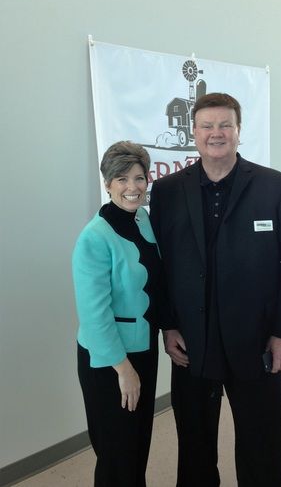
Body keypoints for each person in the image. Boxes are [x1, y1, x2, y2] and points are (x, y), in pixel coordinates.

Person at [150, 93, 281, 487]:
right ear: (194, 133)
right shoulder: (167, 191)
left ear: (239, 131)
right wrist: (168, 326)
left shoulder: (274, 186)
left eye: (225, 125)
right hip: (192, 342)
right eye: (207, 125)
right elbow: (161, 265)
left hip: (256, 341)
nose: (216, 133)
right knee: (195, 443)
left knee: (262, 441)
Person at [72, 141, 161, 487]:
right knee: (116, 454)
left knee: (137, 446)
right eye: (122, 179)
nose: (132, 187)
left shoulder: (142, 219)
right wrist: (124, 369)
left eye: (139, 178)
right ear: (107, 183)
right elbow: (94, 316)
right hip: (110, 361)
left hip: (143, 349)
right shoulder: (94, 238)